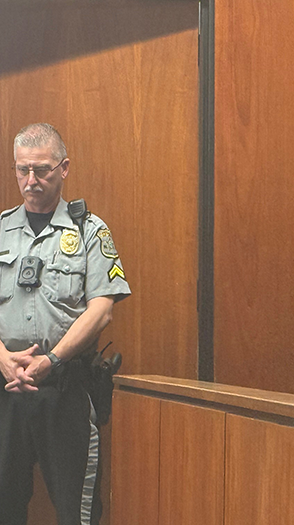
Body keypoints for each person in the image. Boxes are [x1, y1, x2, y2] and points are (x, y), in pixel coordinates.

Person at [0, 123, 130, 525]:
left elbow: (101, 310)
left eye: (42, 170)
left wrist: (52, 360)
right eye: (22, 170)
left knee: (78, 513)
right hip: (5, 390)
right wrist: (2, 357)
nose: (31, 181)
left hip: (65, 388)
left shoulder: (90, 230)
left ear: (64, 168)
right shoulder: (1, 229)